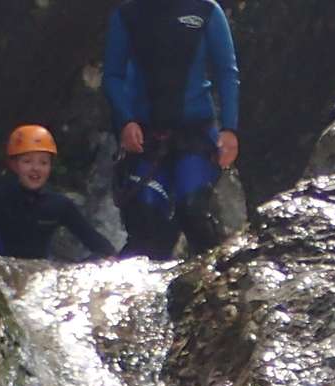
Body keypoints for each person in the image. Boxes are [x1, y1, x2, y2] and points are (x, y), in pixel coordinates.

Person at [102, 0, 241, 260]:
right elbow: (113, 75)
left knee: (193, 211)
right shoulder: (127, 14)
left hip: (195, 136)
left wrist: (230, 129)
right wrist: (125, 121)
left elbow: (226, 71)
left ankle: (220, 286)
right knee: (145, 224)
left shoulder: (205, 10)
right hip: (146, 140)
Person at [0, 125, 116, 261]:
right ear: (14, 165)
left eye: (43, 163)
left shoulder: (58, 204)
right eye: (27, 161)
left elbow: (94, 240)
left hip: (38, 278)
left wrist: (113, 259)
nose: (36, 168)